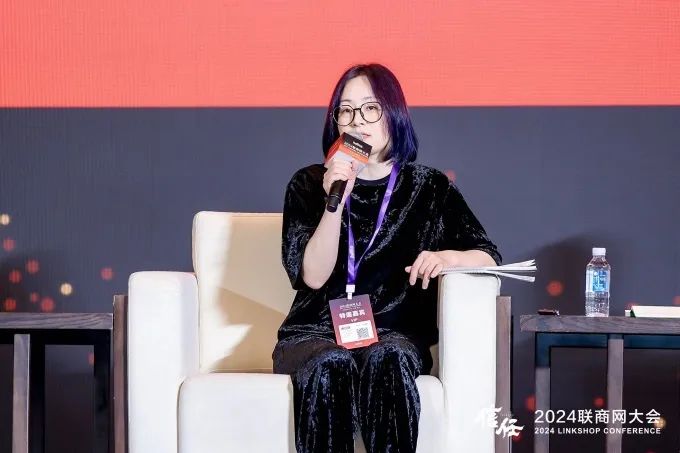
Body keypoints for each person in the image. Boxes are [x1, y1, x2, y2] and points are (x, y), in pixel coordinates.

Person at [272, 63, 501, 453]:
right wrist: (334, 202)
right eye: (346, 110)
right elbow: (313, 276)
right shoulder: (310, 183)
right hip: (315, 335)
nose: (357, 120)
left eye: (370, 108)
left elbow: (488, 257)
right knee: (330, 363)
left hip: (393, 335)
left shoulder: (428, 187)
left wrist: (446, 257)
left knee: (389, 357)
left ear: (393, 114)